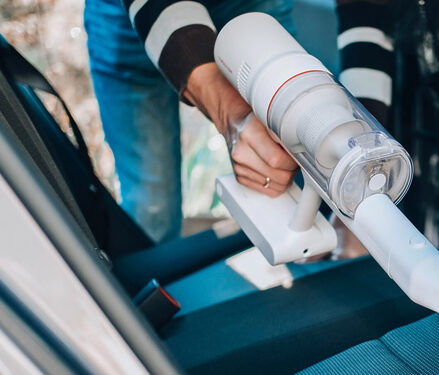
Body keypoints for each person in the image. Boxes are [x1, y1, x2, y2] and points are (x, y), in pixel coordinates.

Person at [84, 0, 295, 242]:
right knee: (152, 207)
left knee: (290, 152)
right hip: (125, 27)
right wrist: (235, 119)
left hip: (249, 6)